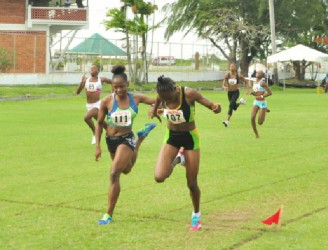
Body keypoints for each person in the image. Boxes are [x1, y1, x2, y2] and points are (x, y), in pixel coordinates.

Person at [150, 76, 221, 231]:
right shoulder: (162, 95)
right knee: (159, 176)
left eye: (168, 99)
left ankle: (196, 215)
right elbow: (156, 104)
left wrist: (216, 108)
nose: (166, 102)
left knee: (192, 183)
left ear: (175, 90)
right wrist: (154, 111)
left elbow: (210, 105)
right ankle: (178, 159)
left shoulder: (189, 94)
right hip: (172, 137)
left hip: (190, 138)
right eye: (163, 100)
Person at [94, 65, 157, 225]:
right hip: (111, 141)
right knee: (126, 170)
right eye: (115, 87)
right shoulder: (107, 101)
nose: (119, 90)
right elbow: (100, 123)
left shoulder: (136, 98)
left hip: (126, 139)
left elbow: (159, 99)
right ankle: (140, 139)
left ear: (127, 84)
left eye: (122, 86)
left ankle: (108, 214)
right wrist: (98, 146)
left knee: (114, 173)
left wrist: (153, 108)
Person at [76, 64, 112, 144]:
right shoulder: (86, 80)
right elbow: (77, 92)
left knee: (86, 117)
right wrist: (82, 82)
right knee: (101, 122)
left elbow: (114, 82)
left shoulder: (101, 79)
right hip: (89, 105)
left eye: (94, 68)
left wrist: (112, 92)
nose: (92, 69)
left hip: (98, 105)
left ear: (98, 71)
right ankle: (113, 134)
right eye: (91, 68)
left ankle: (95, 133)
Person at [246, 70, 272, 138]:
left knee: (260, 122)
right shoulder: (254, 82)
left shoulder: (262, 83)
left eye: (260, 73)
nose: (258, 73)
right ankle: (256, 134)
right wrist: (252, 93)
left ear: (262, 75)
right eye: (258, 72)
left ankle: (265, 108)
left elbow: (270, 92)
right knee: (252, 118)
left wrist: (262, 96)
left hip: (262, 103)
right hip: (256, 102)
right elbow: (256, 93)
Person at [222, 63, 248, 127]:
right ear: (229, 68)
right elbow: (223, 84)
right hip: (229, 93)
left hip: (236, 92)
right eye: (231, 66)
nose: (232, 67)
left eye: (233, 66)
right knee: (234, 107)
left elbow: (246, 81)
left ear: (235, 68)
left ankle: (227, 121)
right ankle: (241, 102)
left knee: (230, 105)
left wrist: (248, 88)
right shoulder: (227, 75)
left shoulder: (238, 76)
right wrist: (224, 87)